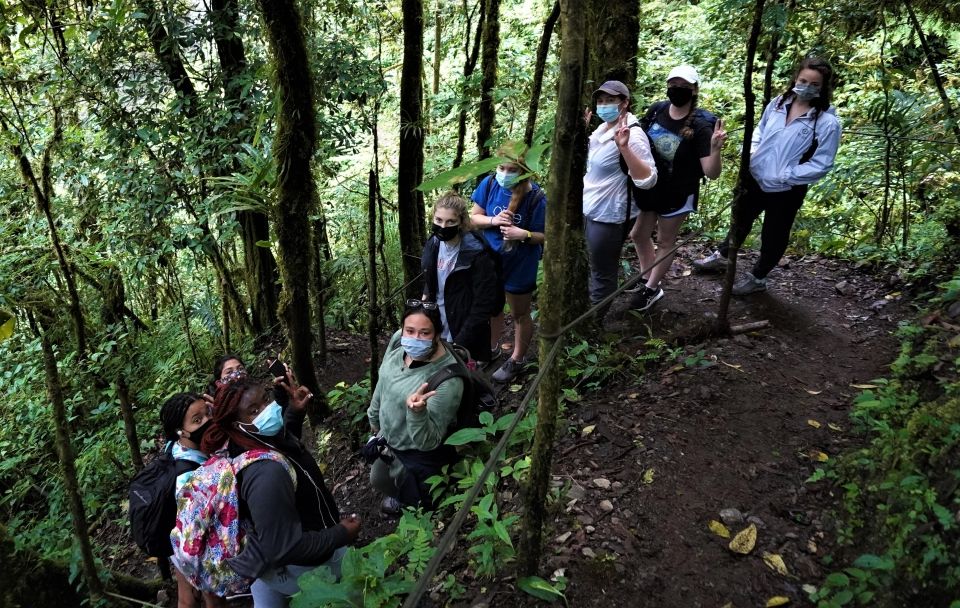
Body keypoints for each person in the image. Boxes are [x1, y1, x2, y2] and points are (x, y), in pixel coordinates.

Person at [201, 377, 360, 607]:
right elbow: (284, 548)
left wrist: (294, 414)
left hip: (274, 564)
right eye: (253, 410)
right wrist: (341, 534)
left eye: (266, 400)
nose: (266, 410)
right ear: (238, 424)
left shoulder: (255, 440)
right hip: (304, 568)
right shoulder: (266, 474)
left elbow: (284, 452)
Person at [693, 56, 841, 294]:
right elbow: (759, 132)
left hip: (787, 188)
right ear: (796, 78)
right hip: (755, 177)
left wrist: (787, 175)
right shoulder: (778, 103)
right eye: (803, 80)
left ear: (823, 88)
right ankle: (722, 256)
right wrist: (751, 154)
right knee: (740, 220)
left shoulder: (825, 122)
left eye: (814, 84)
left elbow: (822, 163)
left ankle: (758, 277)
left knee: (774, 233)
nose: (807, 87)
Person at [627, 65, 727, 310]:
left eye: (684, 86)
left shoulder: (703, 125)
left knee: (665, 240)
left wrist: (715, 150)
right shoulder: (658, 110)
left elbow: (711, 173)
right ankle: (646, 277)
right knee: (638, 234)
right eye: (674, 85)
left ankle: (651, 288)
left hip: (678, 192)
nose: (677, 90)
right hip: (651, 187)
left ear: (694, 90)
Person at [366, 302, 463, 514]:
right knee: (378, 478)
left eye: (424, 333)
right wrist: (374, 419)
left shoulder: (447, 381)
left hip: (415, 453)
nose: (414, 339)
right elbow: (383, 380)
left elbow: (428, 442)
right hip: (389, 439)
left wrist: (417, 413)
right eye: (409, 331)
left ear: (437, 335)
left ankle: (413, 511)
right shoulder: (397, 342)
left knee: (418, 500)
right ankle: (400, 499)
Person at [582, 80, 658, 315]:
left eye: (611, 101)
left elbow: (648, 178)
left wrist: (624, 148)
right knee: (590, 266)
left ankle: (594, 322)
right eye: (601, 101)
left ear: (624, 103)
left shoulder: (632, 135)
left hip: (610, 214)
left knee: (602, 271)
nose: (604, 105)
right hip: (591, 208)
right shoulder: (603, 128)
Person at [470, 155, 546, 382]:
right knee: (493, 307)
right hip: (491, 260)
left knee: (519, 313)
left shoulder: (537, 198)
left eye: (511, 169)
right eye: (501, 168)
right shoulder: (490, 183)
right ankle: (491, 348)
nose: (504, 173)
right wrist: (494, 221)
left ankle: (517, 359)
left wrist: (525, 234)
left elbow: (546, 235)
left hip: (520, 263)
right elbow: (474, 217)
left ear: (523, 170)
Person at [159, 393, 226, 608]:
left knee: (186, 598)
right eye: (197, 420)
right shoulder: (188, 475)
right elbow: (195, 533)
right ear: (181, 432)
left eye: (207, 414)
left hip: (178, 538)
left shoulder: (177, 450)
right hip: (192, 543)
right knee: (212, 599)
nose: (207, 422)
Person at [421, 192, 500, 363]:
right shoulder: (433, 244)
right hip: (437, 320)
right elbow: (430, 277)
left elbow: (484, 302)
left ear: (461, 222)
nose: (443, 226)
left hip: (464, 325)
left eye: (450, 221)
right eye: (439, 220)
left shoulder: (477, 253)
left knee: (464, 373)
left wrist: (463, 339)